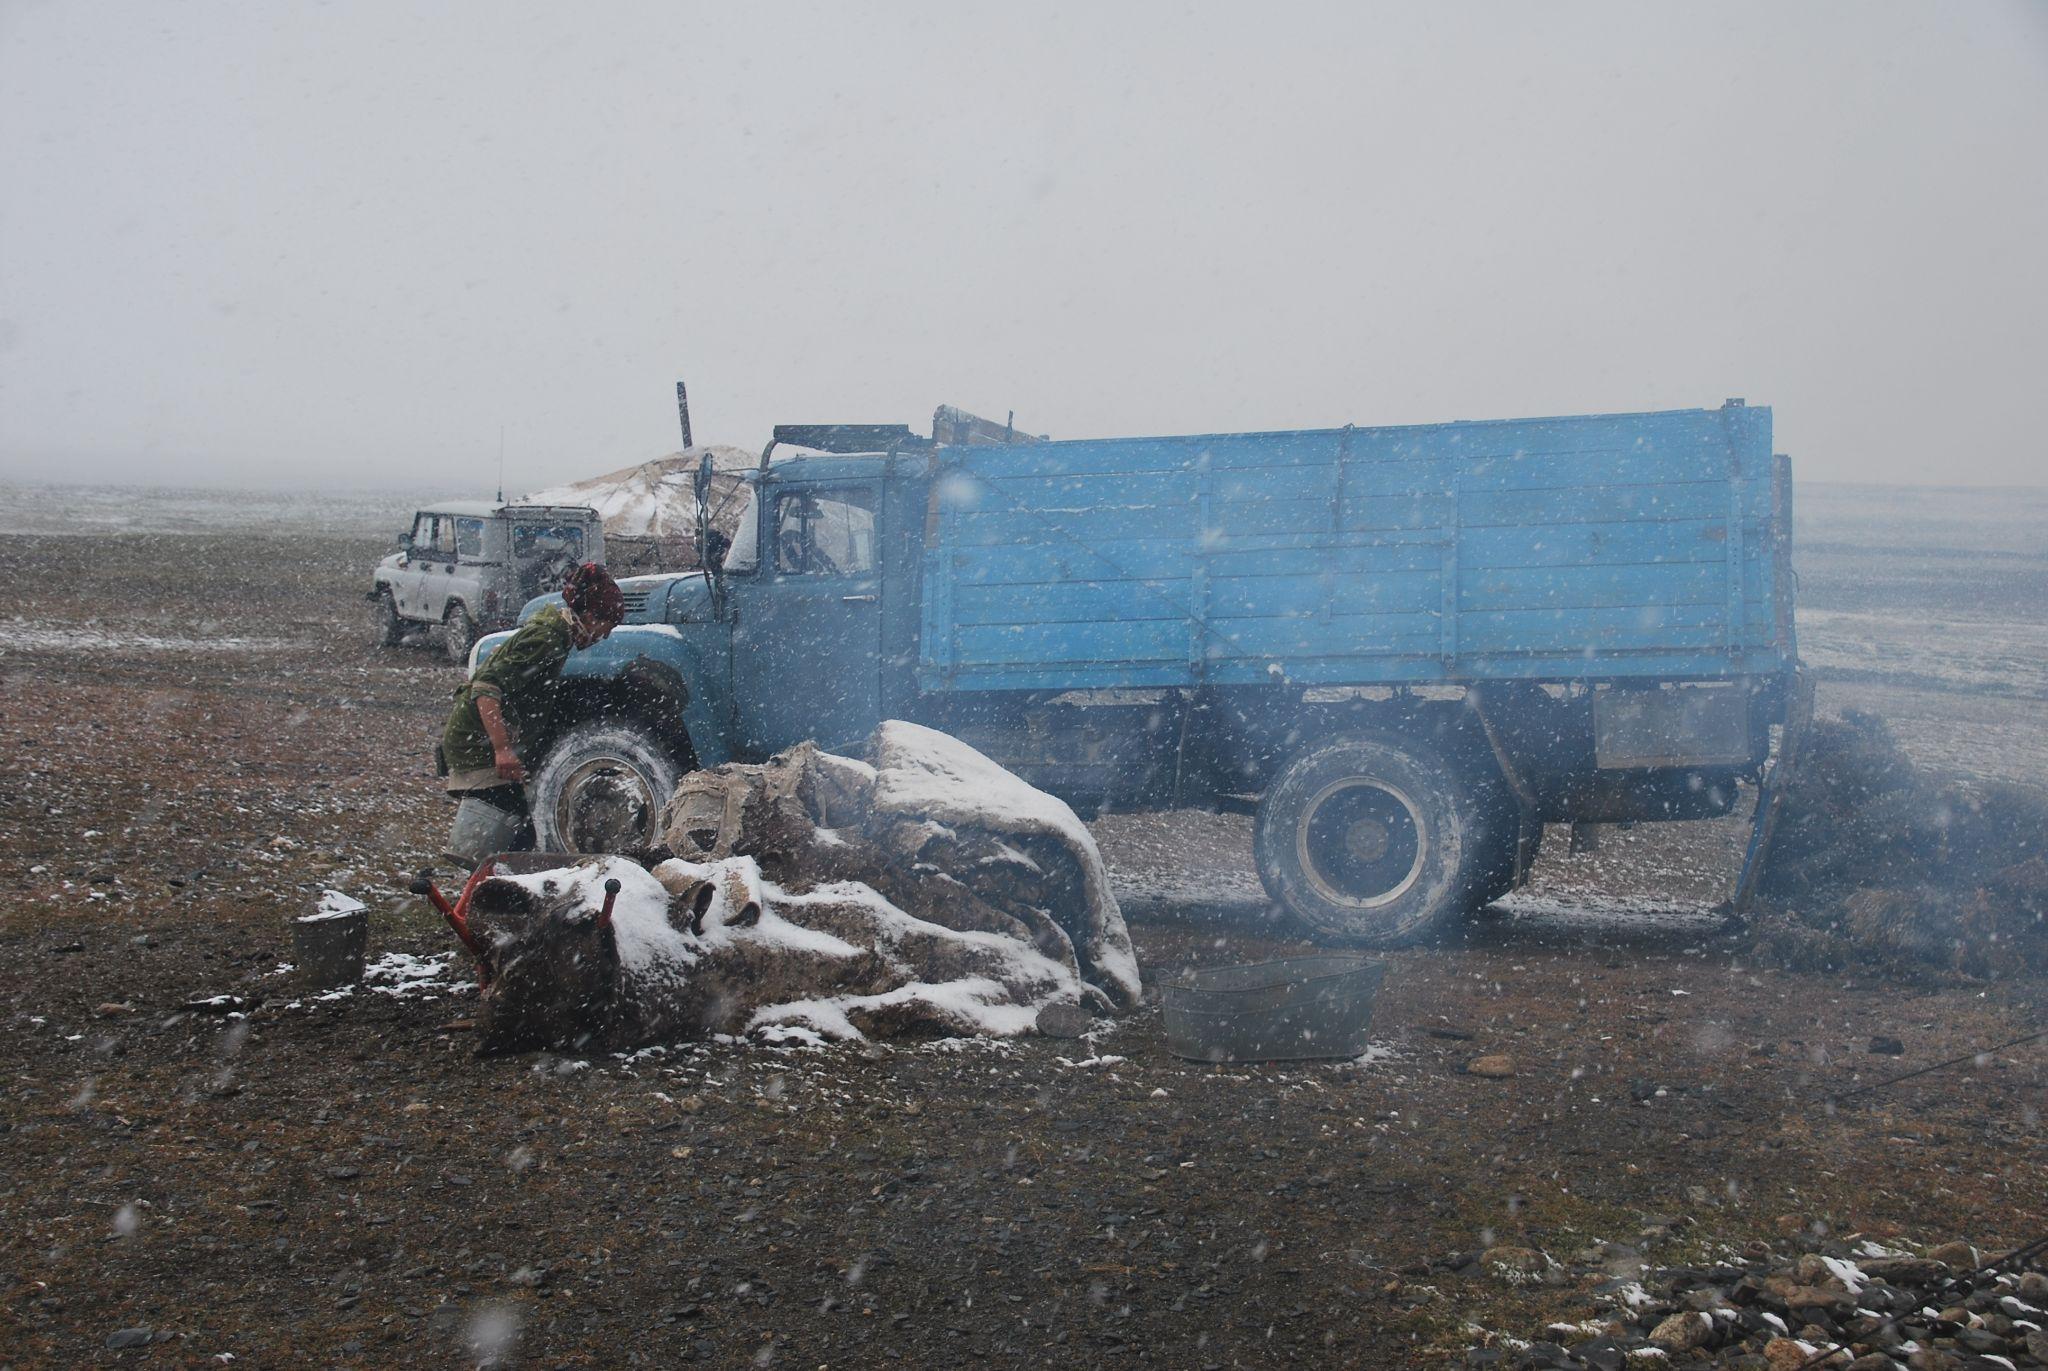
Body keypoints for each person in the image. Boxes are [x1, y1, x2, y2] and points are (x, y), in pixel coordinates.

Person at [438, 562, 626, 859]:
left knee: (517, 832)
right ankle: (484, 878)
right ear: (591, 616)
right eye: (607, 627)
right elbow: (486, 687)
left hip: (481, 739)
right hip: (477, 744)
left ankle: (488, 878)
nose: (604, 636)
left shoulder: (557, 634)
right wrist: (502, 749)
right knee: (509, 834)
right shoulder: (547, 638)